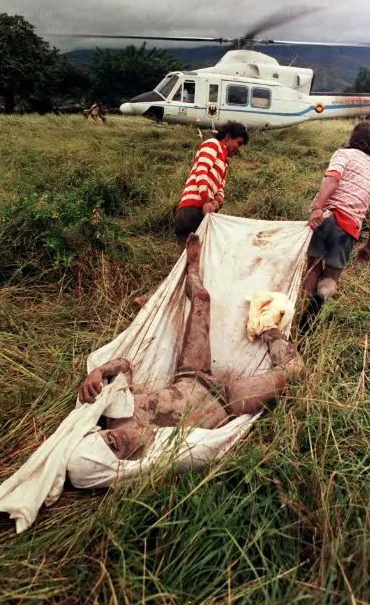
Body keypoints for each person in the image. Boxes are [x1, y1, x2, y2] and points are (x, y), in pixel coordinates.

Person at [69, 235, 307, 475]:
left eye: (106, 439)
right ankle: (269, 330)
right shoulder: (150, 461)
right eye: (113, 449)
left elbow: (125, 366)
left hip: (192, 375)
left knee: (202, 298)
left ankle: (192, 268)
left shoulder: (117, 413)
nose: (114, 440)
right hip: (227, 401)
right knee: (295, 370)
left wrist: (99, 371)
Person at [133, 123, 249, 308]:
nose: (239, 148)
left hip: (195, 212)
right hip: (192, 211)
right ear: (228, 137)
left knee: (186, 266)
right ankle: (155, 300)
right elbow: (201, 172)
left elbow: (221, 190)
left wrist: (215, 203)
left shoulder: (225, 163)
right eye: (238, 143)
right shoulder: (212, 145)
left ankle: (152, 299)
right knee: (195, 267)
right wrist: (206, 201)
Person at [298, 120, 370, 331]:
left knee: (313, 265)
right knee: (331, 275)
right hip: (348, 229)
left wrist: (317, 208)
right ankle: (320, 301)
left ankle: (303, 312)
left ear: (353, 137)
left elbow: (332, 179)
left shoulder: (344, 154)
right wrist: (369, 246)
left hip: (325, 217)